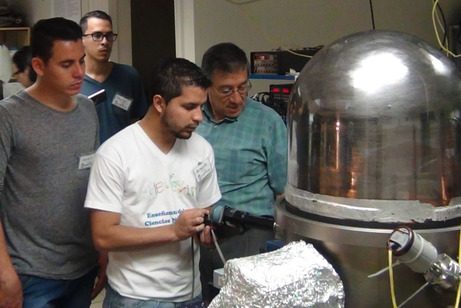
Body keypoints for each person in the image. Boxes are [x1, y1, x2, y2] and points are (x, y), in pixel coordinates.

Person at [84, 57, 221, 307]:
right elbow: (103, 236)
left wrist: (206, 232)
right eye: (189, 106)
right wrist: (173, 231)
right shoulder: (115, 153)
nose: (199, 116)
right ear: (159, 102)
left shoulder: (202, 150)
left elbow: (205, 214)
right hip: (135, 296)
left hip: (189, 294)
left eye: (202, 106)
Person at [0, 17, 105, 308]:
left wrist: (103, 249)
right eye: (66, 64)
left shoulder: (87, 109)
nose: (79, 72)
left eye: (81, 61)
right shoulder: (8, 116)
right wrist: (4, 273)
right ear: (39, 66)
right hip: (30, 272)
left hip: (82, 266)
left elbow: (95, 183)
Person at [195, 42, 288, 303]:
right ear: (206, 86)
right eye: (226, 90)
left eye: (242, 87)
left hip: (249, 235)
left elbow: (284, 190)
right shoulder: (192, 120)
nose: (237, 98)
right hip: (198, 234)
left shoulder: (267, 121)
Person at [79, 10, 148, 143]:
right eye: (97, 35)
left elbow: (137, 121)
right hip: (86, 159)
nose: (104, 42)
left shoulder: (129, 76)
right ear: (82, 39)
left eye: (109, 36)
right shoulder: (73, 81)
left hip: (123, 157)